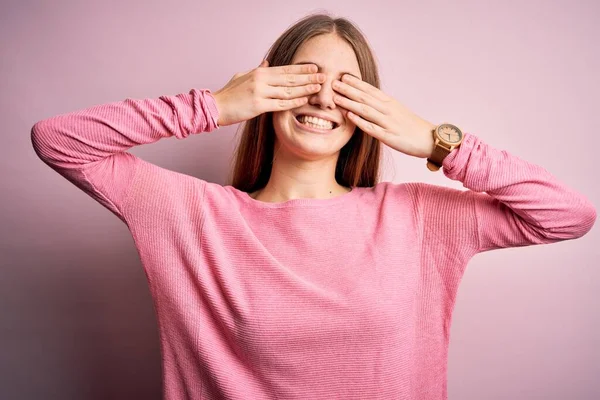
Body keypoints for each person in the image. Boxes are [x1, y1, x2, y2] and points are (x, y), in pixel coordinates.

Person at [30, 12, 596, 400]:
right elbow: (59, 139)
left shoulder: (417, 218)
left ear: (370, 110)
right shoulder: (192, 214)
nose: (324, 97)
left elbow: (568, 214)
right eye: (304, 79)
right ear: (267, 88)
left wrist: (435, 141)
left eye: (347, 87)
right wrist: (215, 105)